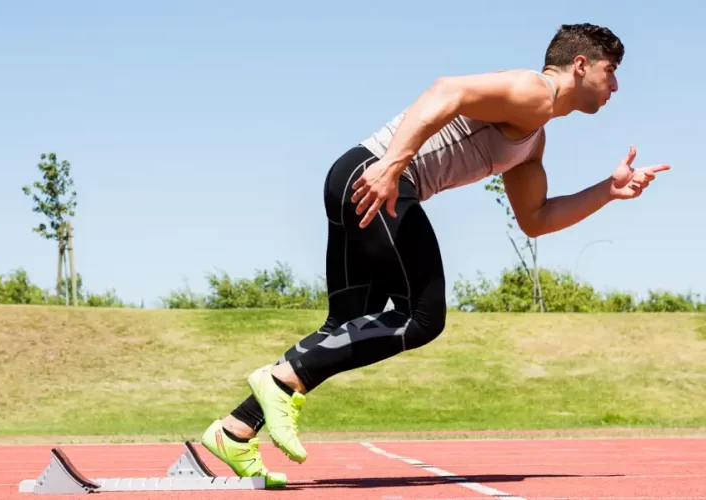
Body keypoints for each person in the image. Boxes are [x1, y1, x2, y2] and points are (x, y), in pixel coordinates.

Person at [198, 23, 670, 487]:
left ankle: (235, 431)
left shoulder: (535, 136)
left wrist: (607, 191)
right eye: (611, 71)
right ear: (581, 65)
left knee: (345, 327)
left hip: (356, 176)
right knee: (422, 318)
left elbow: (536, 219)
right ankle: (279, 381)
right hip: (379, 179)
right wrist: (393, 166)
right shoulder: (535, 91)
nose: (615, 85)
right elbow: (447, 90)